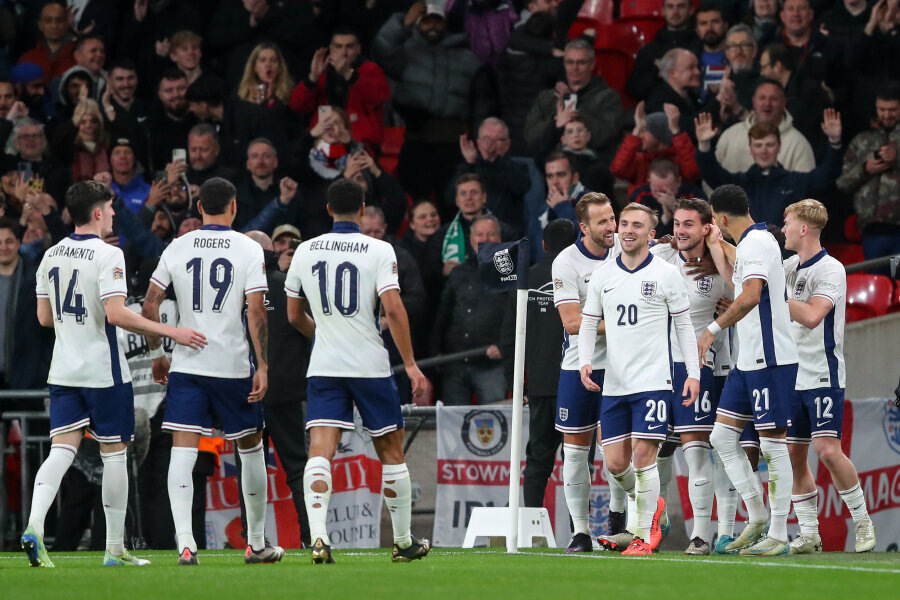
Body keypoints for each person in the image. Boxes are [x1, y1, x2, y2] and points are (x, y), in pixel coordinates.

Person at [20, 181, 206, 568]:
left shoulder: (51, 254)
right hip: (104, 373)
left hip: (64, 369)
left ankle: (35, 525)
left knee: (60, 451)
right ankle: (115, 549)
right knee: (115, 455)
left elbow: (42, 318)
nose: (115, 214)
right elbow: (117, 315)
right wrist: (174, 332)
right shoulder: (109, 255)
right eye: (111, 207)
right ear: (98, 213)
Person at [284, 178, 431, 564]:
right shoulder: (380, 250)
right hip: (369, 364)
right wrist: (412, 364)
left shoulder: (305, 250)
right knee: (390, 450)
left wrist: (322, 334)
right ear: (363, 209)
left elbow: (293, 314)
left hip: (325, 364)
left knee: (320, 451)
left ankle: (318, 538)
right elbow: (394, 310)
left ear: (328, 210)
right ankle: (402, 542)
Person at [142, 177, 282, 565]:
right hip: (233, 366)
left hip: (188, 364)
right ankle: (256, 543)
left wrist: (158, 353)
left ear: (199, 207)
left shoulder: (178, 245)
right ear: (234, 207)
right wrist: (264, 365)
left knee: (182, 452)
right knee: (251, 449)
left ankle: (186, 544)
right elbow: (256, 311)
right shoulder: (248, 248)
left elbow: (150, 305)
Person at [578, 202, 701, 556]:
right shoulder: (604, 276)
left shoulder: (666, 274)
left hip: (653, 381)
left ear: (651, 234)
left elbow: (683, 327)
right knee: (616, 463)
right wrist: (585, 362)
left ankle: (645, 535)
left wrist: (692, 373)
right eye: (624, 224)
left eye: (637, 225)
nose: (628, 230)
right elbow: (588, 323)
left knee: (644, 456)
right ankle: (653, 506)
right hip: (615, 383)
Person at [699, 184, 799, 556]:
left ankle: (778, 532)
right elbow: (737, 282)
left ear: (721, 217)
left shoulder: (757, 244)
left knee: (773, 445)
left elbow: (751, 294)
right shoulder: (751, 244)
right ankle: (756, 514)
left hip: (770, 359)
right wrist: (713, 244)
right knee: (722, 438)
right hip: (748, 359)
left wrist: (711, 330)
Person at [780, 199, 876, 554]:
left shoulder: (832, 269)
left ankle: (863, 522)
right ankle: (809, 533)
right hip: (791, 374)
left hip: (822, 371)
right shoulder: (788, 266)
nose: (784, 228)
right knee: (794, 453)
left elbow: (812, 316)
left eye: (787, 222)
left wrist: (776, 292)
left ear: (804, 228)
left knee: (828, 451)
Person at [648, 198, 734, 555]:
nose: (681, 231)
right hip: (652, 366)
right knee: (650, 453)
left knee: (698, 451)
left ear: (707, 227)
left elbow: (747, 297)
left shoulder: (721, 268)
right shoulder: (660, 257)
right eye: (677, 224)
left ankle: (703, 534)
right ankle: (656, 520)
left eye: (689, 224)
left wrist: (732, 307)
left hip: (694, 367)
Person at [551, 193, 630, 552]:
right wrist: (622, 321)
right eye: (603, 221)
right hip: (577, 365)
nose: (612, 226)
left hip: (622, 365)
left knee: (616, 449)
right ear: (584, 228)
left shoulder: (626, 254)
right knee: (576, 451)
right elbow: (570, 323)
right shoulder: (566, 263)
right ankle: (580, 533)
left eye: (613, 218)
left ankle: (619, 522)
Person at [501, 217, 576, 509]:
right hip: (579, 384)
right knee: (578, 459)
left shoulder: (525, 281)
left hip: (540, 385)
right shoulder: (584, 278)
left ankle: (530, 525)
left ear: (544, 245)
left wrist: (515, 383)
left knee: (538, 460)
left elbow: (509, 337)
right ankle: (578, 532)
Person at [695, 110, 843, 226]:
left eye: (769, 145)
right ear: (751, 150)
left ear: (778, 147)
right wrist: (704, 145)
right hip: (749, 258)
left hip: (786, 258)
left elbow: (827, 176)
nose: (764, 150)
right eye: (758, 145)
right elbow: (712, 174)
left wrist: (834, 141)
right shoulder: (740, 185)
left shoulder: (795, 182)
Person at [432, 215, 508, 405]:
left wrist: (505, 346)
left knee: (495, 426)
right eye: (480, 235)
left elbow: (518, 317)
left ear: (499, 239)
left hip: (492, 364)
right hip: (455, 362)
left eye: (490, 234)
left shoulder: (511, 274)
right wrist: (437, 350)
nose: (485, 239)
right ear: (472, 240)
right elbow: (443, 313)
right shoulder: (458, 273)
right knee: (454, 426)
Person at [290, 28, 391, 149]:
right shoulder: (323, 73)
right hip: (323, 143)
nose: (344, 52)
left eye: (349, 47)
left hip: (361, 145)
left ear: (358, 49)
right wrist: (313, 77)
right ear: (331, 49)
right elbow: (296, 106)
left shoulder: (370, 70)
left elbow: (379, 97)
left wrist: (348, 74)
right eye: (338, 47)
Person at [524, 39, 623, 161]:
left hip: (590, 167)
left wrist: (572, 108)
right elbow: (530, 137)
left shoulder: (609, 97)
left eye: (581, 62)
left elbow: (605, 136)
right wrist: (556, 120)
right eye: (570, 62)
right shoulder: (546, 97)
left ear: (592, 64)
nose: (575, 68)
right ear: (564, 64)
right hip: (551, 167)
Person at [836, 83, 900, 267]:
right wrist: (865, 169)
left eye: (892, 110)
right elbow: (842, 183)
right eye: (882, 109)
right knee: (876, 285)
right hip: (872, 229)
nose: (886, 114)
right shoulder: (862, 140)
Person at [713, 79, 815, 175]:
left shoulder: (798, 143)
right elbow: (712, 178)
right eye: (762, 98)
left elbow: (808, 188)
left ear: (784, 103)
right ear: (754, 102)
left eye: (774, 99)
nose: (767, 104)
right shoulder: (730, 136)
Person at [448, 117, 530, 231]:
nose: (490, 145)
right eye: (486, 139)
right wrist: (470, 163)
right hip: (472, 236)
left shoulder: (517, 167)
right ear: (478, 142)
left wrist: (494, 160)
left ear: (507, 144)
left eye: (498, 139)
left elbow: (521, 186)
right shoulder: (469, 167)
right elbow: (451, 198)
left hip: (506, 237)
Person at [611, 102, 700, 199]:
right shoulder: (640, 159)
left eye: (645, 130)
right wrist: (636, 131)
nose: (640, 135)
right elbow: (618, 169)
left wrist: (675, 132)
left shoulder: (679, 159)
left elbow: (693, 172)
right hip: (641, 211)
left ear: (660, 133)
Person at [627, 0, 700, 102]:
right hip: (657, 111)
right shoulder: (649, 51)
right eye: (670, 7)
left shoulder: (702, 46)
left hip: (695, 111)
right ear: (663, 10)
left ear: (691, 10)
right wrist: (657, 73)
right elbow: (635, 90)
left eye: (681, 6)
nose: (675, 12)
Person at [630, 158, 706, 237]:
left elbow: (704, 225)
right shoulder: (641, 196)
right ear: (649, 182)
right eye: (657, 191)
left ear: (678, 182)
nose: (664, 197)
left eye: (669, 191)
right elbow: (639, 233)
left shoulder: (693, 194)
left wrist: (676, 208)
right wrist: (665, 219)